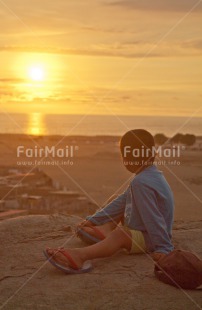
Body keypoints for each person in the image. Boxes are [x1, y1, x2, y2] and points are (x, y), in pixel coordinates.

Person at [44, 129, 174, 273]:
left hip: (150, 237)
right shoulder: (151, 174)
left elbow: (152, 218)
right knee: (118, 199)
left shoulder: (141, 183)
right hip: (144, 228)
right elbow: (121, 202)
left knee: (119, 236)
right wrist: (93, 220)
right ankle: (104, 229)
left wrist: (164, 248)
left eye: (124, 155)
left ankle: (80, 256)